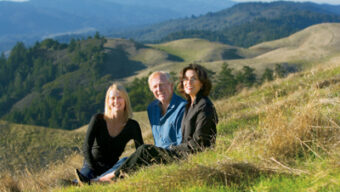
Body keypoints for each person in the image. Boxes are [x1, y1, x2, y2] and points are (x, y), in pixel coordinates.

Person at [100, 64, 218, 181]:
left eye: (193, 79)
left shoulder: (202, 106)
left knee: (144, 150)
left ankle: (110, 179)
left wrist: (171, 150)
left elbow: (200, 143)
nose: (188, 82)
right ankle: (96, 179)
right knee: (127, 159)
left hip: (184, 156)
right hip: (174, 153)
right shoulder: (191, 105)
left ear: (202, 83)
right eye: (186, 79)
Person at [90, 71, 186, 183]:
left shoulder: (183, 108)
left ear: (171, 85)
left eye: (162, 84)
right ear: (151, 90)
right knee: (127, 159)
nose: (158, 89)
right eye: (155, 86)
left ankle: (105, 180)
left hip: (175, 155)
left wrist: (158, 154)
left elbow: (182, 142)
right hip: (157, 154)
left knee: (144, 150)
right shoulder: (152, 108)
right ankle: (93, 181)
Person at [74, 83, 144, 185]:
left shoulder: (132, 126)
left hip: (113, 167)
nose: (116, 101)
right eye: (112, 98)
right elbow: (86, 146)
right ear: (108, 101)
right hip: (91, 165)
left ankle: (97, 181)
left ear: (125, 100)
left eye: (119, 97)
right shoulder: (98, 120)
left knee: (125, 161)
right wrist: (93, 168)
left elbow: (140, 151)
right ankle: (71, 184)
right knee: (81, 182)